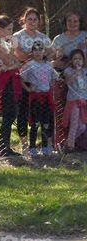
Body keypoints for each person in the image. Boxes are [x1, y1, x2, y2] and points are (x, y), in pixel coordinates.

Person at [11, 7, 51, 151]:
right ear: (24, 20)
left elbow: (50, 51)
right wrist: (34, 55)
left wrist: (40, 55)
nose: (32, 22)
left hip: (40, 81)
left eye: (35, 19)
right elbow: (18, 55)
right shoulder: (17, 36)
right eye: (29, 19)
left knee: (40, 112)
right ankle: (24, 143)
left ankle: (43, 142)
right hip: (24, 77)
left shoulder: (43, 37)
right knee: (23, 110)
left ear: (39, 21)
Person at [49, 12, 85, 147]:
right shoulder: (58, 39)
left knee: (81, 111)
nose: (73, 24)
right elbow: (53, 60)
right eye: (69, 21)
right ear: (65, 23)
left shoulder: (85, 36)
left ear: (80, 23)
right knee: (62, 109)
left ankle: (81, 142)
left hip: (83, 79)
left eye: (76, 21)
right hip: (63, 78)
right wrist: (61, 61)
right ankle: (61, 141)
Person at [0, 15, 23, 158]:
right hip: (4, 80)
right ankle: (2, 147)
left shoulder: (6, 41)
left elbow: (18, 62)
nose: (11, 32)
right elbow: (8, 60)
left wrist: (12, 63)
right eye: (8, 29)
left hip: (11, 77)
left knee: (12, 112)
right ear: (0, 29)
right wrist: (11, 60)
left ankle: (4, 146)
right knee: (8, 113)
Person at [20, 41, 59, 156]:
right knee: (35, 122)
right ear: (32, 52)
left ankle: (45, 146)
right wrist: (28, 89)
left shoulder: (48, 64)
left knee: (46, 123)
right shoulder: (29, 65)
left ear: (44, 51)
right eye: (35, 50)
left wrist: (50, 87)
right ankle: (32, 147)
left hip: (46, 97)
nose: (38, 52)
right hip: (36, 97)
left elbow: (54, 77)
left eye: (40, 49)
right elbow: (21, 78)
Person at [61, 49, 87, 151]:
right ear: (71, 61)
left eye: (80, 59)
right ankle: (70, 146)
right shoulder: (68, 70)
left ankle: (69, 142)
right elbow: (68, 81)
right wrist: (76, 71)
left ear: (83, 61)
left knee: (83, 126)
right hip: (74, 101)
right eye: (75, 59)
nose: (77, 61)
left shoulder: (85, 71)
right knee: (74, 123)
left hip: (84, 100)